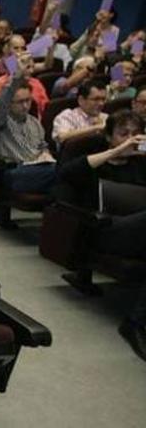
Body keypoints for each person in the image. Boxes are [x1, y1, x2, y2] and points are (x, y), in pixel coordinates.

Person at [56, 110, 146, 361]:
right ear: (109, 136)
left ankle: (136, 321)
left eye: (135, 134)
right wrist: (117, 152)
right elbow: (65, 174)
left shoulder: (142, 163)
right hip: (107, 231)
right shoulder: (95, 161)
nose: (130, 139)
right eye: (123, 134)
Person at [0, 64, 57, 194]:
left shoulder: (34, 122)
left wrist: (46, 154)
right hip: (14, 171)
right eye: (20, 102)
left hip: (40, 169)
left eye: (28, 101)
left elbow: (43, 146)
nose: (25, 106)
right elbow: (1, 103)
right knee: (65, 172)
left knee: (64, 181)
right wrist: (16, 77)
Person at [52, 80, 108, 147]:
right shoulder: (67, 116)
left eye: (103, 99)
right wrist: (96, 128)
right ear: (81, 100)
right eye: (96, 99)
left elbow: (121, 85)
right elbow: (62, 137)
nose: (101, 103)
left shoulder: (106, 117)